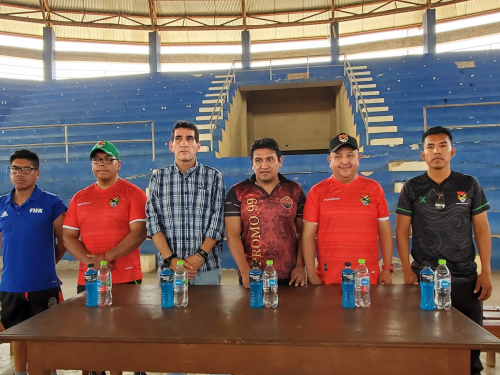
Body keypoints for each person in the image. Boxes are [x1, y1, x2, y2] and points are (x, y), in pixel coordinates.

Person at [395, 126, 492, 375]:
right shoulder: (412, 188)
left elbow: (481, 229)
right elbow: (402, 230)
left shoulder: (469, 184)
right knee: (425, 341)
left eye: (442, 145)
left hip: (464, 276)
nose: (436, 151)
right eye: (430, 146)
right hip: (424, 277)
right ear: (422, 154)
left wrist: (486, 271)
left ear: (452, 151)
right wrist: (406, 269)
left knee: (469, 346)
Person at [0, 150, 66, 375]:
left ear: (37, 173)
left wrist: (50, 261)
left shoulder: (52, 203)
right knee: (17, 334)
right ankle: (20, 372)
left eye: (26, 169)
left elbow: (65, 240)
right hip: (9, 285)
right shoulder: (1, 205)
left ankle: (50, 371)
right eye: (15, 169)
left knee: (46, 336)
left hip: (43, 284)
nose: (20, 174)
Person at [302, 133, 394, 285]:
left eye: (350, 155)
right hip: (328, 279)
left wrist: (386, 268)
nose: (344, 161)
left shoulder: (374, 189)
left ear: (358, 159)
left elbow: (384, 231)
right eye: (338, 156)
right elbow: (307, 236)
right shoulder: (317, 192)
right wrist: (311, 274)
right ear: (329, 160)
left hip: (366, 277)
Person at [146, 121, 225, 285]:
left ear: (198, 145)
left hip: (206, 268)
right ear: (171, 145)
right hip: (169, 269)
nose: (184, 143)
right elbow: (153, 223)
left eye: (190, 139)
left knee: (207, 311)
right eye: (178, 139)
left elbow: (218, 221)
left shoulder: (214, 177)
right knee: (169, 311)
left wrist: (200, 257)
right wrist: (171, 260)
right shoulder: (158, 178)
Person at [63, 140, 147, 293]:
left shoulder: (134, 194)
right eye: (96, 160)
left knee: (127, 318)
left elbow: (139, 232)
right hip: (89, 277)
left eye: (108, 159)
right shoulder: (79, 198)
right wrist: (91, 263)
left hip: (125, 277)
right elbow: (68, 236)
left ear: (118, 165)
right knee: (88, 317)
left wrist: (105, 257)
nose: (102, 163)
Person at [225, 137, 307, 287]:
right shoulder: (238, 192)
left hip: (289, 275)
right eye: (258, 160)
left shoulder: (294, 190)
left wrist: (301, 265)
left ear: (280, 161)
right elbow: (232, 235)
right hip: (252, 274)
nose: (264, 165)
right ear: (252, 164)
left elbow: (302, 233)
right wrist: (245, 271)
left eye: (270, 159)